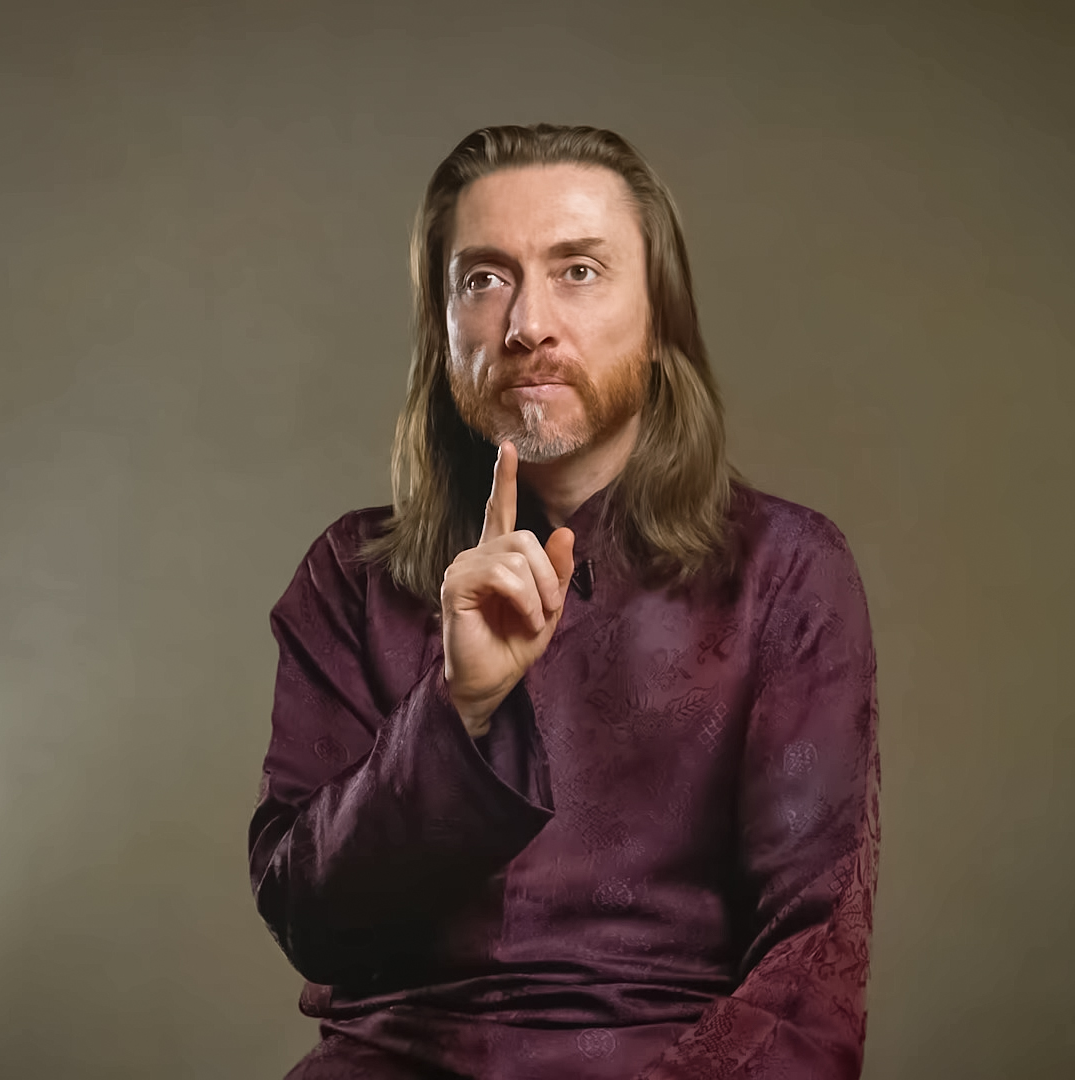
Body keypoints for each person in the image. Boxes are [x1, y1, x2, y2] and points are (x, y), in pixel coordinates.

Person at [248, 124, 880, 1079]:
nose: (527, 324)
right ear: (442, 330)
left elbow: (812, 971)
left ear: (659, 319)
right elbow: (310, 921)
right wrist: (456, 709)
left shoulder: (785, 570)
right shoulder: (351, 574)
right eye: (484, 279)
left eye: (578, 271)